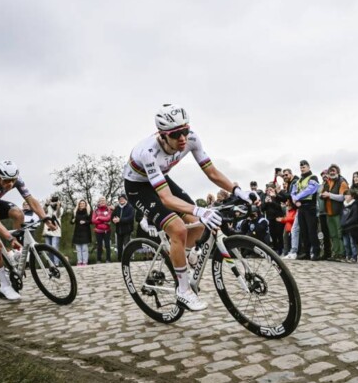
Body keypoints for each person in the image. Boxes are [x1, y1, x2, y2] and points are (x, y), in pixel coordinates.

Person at [123, 104, 256, 311]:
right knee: (178, 229)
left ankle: (183, 256)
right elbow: (166, 198)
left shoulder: (191, 139)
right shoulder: (148, 152)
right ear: (163, 135)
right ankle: (183, 290)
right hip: (138, 187)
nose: (183, 138)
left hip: (160, 178)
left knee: (199, 225)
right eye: (176, 134)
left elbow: (212, 173)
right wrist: (200, 210)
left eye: (185, 130)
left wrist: (237, 191)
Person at [0, 161, 55, 300]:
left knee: (18, 214)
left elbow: (31, 200)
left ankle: (15, 252)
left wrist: (45, 218)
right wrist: (10, 238)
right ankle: (4, 285)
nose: (10, 184)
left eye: (13, 180)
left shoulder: (16, 180)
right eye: (7, 181)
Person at [291, 160, 320, 261]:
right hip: (301, 207)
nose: (302, 169)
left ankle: (316, 253)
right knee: (303, 231)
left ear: (308, 167)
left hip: (310, 207)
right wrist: (295, 200)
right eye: (301, 167)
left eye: (304, 167)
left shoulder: (313, 177)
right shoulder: (299, 180)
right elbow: (293, 192)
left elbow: (310, 189)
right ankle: (306, 253)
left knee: (312, 231)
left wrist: (297, 197)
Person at [321, 164, 348, 261]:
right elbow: (322, 193)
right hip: (329, 212)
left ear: (338, 172)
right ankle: (336, 253)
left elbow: (342, 197)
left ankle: (342, 253)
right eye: (330, 171)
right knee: (333, 234)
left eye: (333, 170)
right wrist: (322, 195)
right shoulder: (327, 182)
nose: (332, 172)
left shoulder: (342, 182)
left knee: (340, 233)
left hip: (338, 212)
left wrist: (329, 195)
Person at [112, 194, 135, 261]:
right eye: (120, 199)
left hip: (127, 229)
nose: (121, 200)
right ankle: (119, 259)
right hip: (118, 229)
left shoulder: (130, 207)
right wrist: (113, 220)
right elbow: (113, 216)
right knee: (119, 245)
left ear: (125, 199)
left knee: (127, 244)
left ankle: (128, 258)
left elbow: (130, 218)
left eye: (122, 199)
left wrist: (120, 220)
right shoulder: (117, 208)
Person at [42, 195, 63, 266]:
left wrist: (58, 206)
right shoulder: (48, 207)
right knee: (48, 248)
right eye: (53, 201)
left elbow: (58, 215)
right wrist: (46, 204)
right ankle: (51, 264)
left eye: (55, 201)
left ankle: (56, 263)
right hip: (48, 229)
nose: (54, 202)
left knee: (54, 247)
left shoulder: (61, 208)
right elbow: (43, 212)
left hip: (56, 230)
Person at [71, 199, 92, 266]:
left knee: (84, 248)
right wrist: (72, 221)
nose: (82, 204)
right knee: (78, 248)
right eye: (81, 203)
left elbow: (91, 221)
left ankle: (85, 261)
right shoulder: (75, 212)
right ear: (79, 205)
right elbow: (71, 221)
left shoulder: (88, 212)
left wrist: (85, 222)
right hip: (77, 232)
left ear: (85, 205)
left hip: (85, 232)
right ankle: (79, 261)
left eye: (83, 203)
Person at [92, 196, 112, 263]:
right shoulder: (95, 210)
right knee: (99, 246)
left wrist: (99, 217)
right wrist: (104, 221)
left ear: (106, 202)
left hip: (107, 230)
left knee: (107, 245)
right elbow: (93, 220)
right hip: (98, 231)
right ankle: (98, 260)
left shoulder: (108, 210)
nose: (102, 201)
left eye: (104, 200)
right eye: (101, 200)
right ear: (99, 202)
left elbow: (108, 218)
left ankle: (108, 259)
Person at [340, 190, 358, 263]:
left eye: (348, 195)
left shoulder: (355, 205)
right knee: (346, 243)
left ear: (352, 196)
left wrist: (347, 222)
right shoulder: (343, 205)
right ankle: (348, 256)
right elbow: (341, 215)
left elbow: (355, 217)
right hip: (344, 228)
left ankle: (354, 257)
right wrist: (342, 223)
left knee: (352, 243)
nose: (346, 196)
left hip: (352, 227)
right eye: (345, 195)